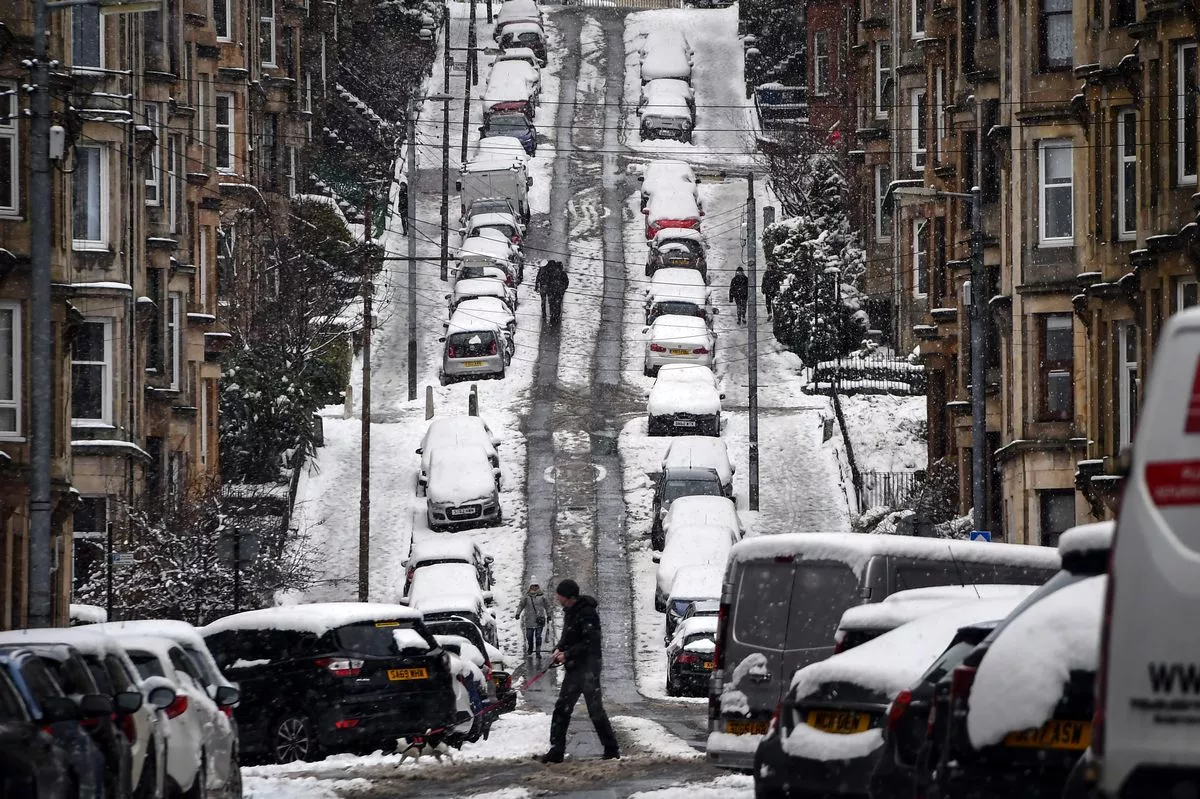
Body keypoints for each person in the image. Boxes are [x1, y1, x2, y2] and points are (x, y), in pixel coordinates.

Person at [539, 579, 620, 764]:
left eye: (560, 595)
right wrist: (559, 648)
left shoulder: (588, 613)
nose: (557, 598)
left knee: (595, 710)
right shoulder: (571, 612)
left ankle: (611, 749)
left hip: (588, 669)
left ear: (568, 597)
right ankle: (556, 750)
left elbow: (590, 642)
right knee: (562, 708)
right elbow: (568, 635)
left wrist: (567, 654)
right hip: (575, 669)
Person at [516, 576, 552, 660]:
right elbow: (521, 605)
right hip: (529, 620)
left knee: (538, 636)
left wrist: (549, 615)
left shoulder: (542, 596)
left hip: (539, 620)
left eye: (536, 585)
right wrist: (518, 613)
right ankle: (530, 647)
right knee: (529, 636)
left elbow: (547, 606)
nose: (535, 587)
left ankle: (538, 651)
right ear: (530, 586)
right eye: (533, 585)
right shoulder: (526, 597)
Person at [546, 260, 569, 327]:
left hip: (553, 292)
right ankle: (556, 317)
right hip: (557, 292)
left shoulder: (552, 273)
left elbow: (548, 282)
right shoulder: (562, 274)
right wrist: (563, 289)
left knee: (552, 304)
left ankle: (553, 316)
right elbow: (566, 282)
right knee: (557, 304)